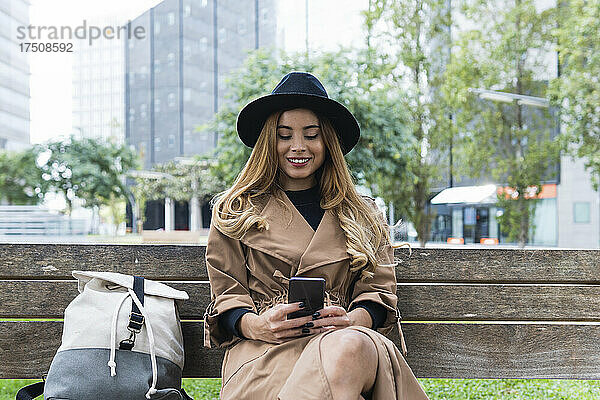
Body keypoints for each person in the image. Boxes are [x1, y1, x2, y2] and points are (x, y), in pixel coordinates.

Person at [203, 71, 429, 400]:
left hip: (348, 343)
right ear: (269, 142)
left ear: (327, 143)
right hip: (266, 351)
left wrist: (351, 320)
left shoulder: (363, 214)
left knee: (348, 346)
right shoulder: (236, 210)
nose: (298, 147)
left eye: (312, 135)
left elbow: (378, 296)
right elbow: (228, 298)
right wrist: (260, 325)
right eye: (285, 135)